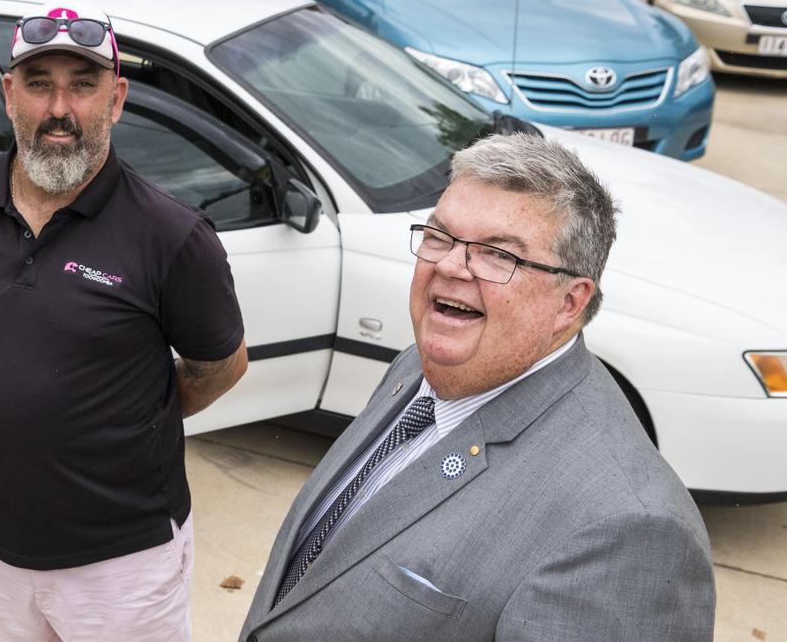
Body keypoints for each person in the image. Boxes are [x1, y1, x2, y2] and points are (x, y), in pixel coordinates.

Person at [240, 133, 715, 641]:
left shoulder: (630, 529)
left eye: (496, 254)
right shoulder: (419, 367)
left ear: (571, 302)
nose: (448, 265)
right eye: (439, 237)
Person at [0, 2, 249, 641]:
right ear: (9, 94)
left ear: (116, 99)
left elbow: (220, 366)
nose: (60, 108)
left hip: (123, 563)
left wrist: (126, 417)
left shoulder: (172, 234)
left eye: (82, 85)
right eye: (39, 84)